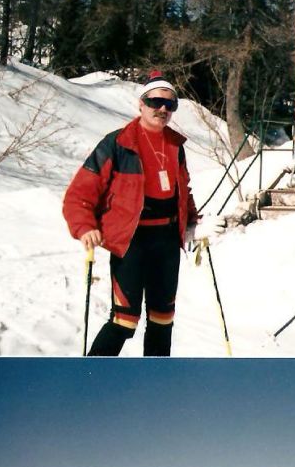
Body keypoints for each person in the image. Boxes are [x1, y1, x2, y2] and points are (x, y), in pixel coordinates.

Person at [63, 72, 199, 356]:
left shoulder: (175, 146)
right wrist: (85, 226)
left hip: (166, 240)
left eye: (169, 104)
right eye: (155, 101)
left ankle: (155, 383)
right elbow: (80, 193)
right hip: (131, 240)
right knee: (124, 319)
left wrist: (193, 222)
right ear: (141, 103)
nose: (162, 109)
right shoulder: (118, 143)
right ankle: (90, 378)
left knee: (163, 319)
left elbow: (182, 190)